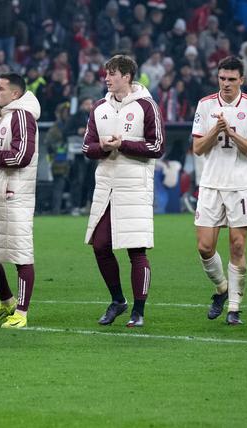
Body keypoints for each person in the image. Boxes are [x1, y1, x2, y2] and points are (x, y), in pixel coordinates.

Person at [82, 55, 165, 328]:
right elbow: (87, 148)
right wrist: (104, 147)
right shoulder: (99, 108)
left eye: (112, 73)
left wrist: (124, 144)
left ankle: (139, 311)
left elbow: (157, 147)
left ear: (127, 76)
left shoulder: (146, 106)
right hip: (106, 186)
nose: (107, 78)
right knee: (100, 245)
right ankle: (118, 300)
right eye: (106, 73)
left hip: (135, 187)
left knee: (136, 251)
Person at [192, 56, 247, 326]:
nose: (226, 84)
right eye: (222, 78)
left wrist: (233, 134)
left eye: (231, 79)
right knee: (204, 247)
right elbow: (198, 148)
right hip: (211, 183)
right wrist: (216, 130)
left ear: (241, 80)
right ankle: (222, 289)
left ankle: (234, 308)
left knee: (237, 245)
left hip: (241, 184)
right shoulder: (205, 105)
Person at [0, 73, 41, 329]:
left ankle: (21, 311)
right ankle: (7, 301)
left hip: (16, 194)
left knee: (21, 253)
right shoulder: (5, 117)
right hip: (0, 192)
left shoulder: (22, 115)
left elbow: (22, 155)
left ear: (15, 94)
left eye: (0, 89)